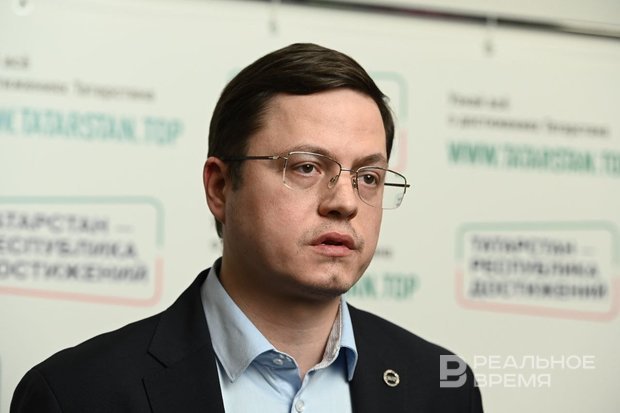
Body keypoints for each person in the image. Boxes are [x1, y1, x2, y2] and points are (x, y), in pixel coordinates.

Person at [11, 43, 482, 412]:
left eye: (369, 177)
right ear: (220, 187)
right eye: (306, 167)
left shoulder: (442, 389)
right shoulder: (77, 394)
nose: (344, 202)